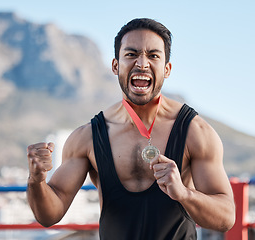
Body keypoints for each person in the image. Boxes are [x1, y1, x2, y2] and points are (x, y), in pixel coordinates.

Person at [27, 18, 235, 239]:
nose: (142, 63)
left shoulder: (195, 131)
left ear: (167, 69)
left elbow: (226, 218)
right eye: (131, 54)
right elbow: (49, 215)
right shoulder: (87, 137)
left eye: (153, 55)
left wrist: (184, 194)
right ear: (116, 65)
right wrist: (37, 180)